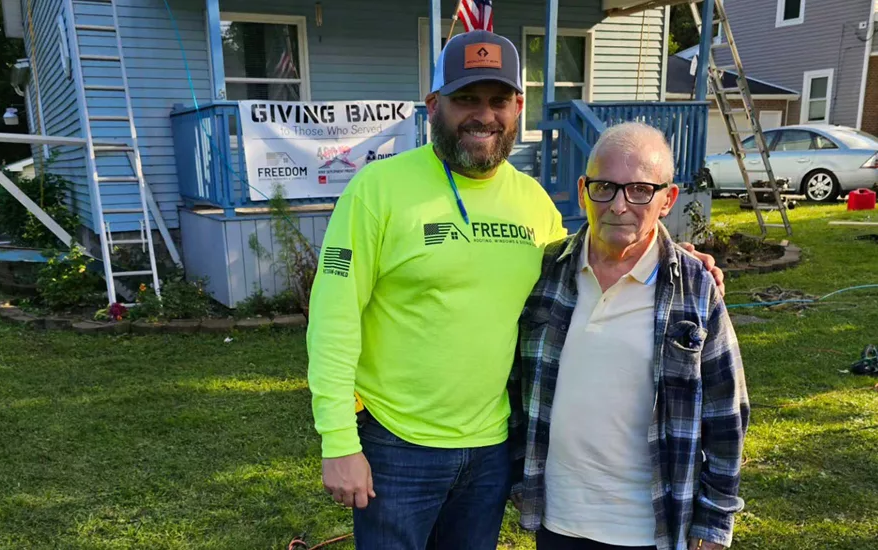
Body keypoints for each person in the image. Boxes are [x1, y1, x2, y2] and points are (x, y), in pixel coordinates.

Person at [307, 31, 724, 549]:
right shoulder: (378, 190)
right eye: (466, 99)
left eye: (498, 100)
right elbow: (333, 318)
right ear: (434, 105)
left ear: (518, 107)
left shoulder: (531, 201)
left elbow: (592, 258)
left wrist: (673, 258)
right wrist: (338, 439)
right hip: (397, 444)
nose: (484, 115)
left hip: (493, 448)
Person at [510, 122, 749, 550]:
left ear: (667, 199)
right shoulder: (546, 271)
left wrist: (714, 524)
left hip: (650, 525)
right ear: (584, 190)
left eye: (640, 190)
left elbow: (727, 415)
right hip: (559, 520)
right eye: (605, 187)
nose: (619, 205)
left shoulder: (695, 287)